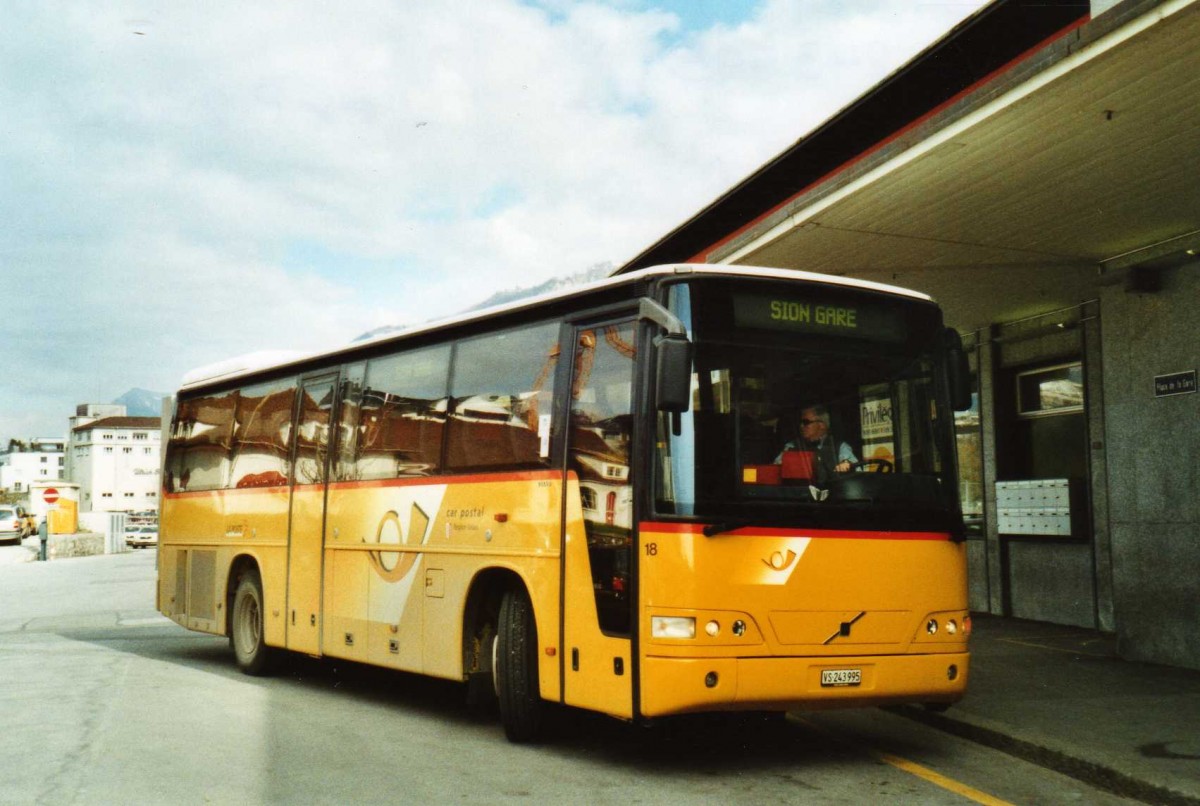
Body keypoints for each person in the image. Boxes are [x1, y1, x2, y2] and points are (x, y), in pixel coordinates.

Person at [776, 404, 858, 481]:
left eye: (806, 422)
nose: (801, 426)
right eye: (800, 423)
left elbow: (853, 466)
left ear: (822, 425)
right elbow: (776, 469)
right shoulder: (791, 446)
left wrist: (846, 464)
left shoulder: (840, 446)